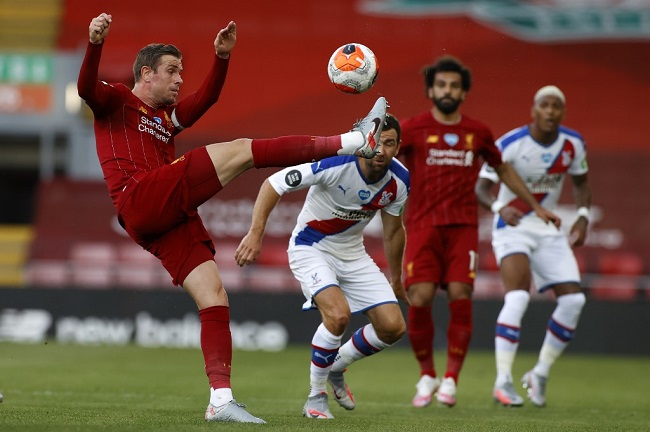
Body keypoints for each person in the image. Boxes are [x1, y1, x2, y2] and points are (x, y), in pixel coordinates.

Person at [77, 12, 387, 424]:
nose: (179, 79)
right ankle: (352, 141)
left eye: (181, 72)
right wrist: (95, 43)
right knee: (242, 150)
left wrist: (221, 58)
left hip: (164, 216)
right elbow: (85, 89)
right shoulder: (116, 99)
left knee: (215, 298)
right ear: (146, 74)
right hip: (140, 197)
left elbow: (206, 100)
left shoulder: (164, 121)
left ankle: (220, 400)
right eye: (172, 71)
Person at [398, 56, 560, 408]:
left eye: (454, 86)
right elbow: (386, 161)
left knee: (460, 293)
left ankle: (451, 380)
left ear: (464, 92)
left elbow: (503, 169)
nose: (447, 91)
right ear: (430, 90)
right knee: (421, 297)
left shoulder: (478, 132)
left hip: (463, 228)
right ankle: (427, 375)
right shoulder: (412, 129)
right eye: (441, 85)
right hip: (423, 226)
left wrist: (534, 205)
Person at [235, 114, 410, 419]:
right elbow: (274, 183)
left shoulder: (399, 181)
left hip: (353, 256)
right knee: (338, 315)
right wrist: (255, 233)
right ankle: (315, 398)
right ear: (363, 140)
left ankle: (336, 366)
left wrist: (396, 278)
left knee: (393, 328)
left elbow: (393, 230)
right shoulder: (335, 163)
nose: (381, 150)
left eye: (390, 143)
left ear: (397, 147)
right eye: (377, 141)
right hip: (311, 248)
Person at [475, 85, 591, 408]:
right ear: (534, 110)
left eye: (557, 106)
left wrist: (582, 217)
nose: (551, 112)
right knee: (518, 295)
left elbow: (582, 184)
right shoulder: (509, 144)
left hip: (548, 229)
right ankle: (503, 380)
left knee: (574, 301)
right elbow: (482, 189)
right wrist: (499, 208)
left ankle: (539, 373)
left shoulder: (573, 144)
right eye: (545, 106)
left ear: (563, 112)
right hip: (512, 228)